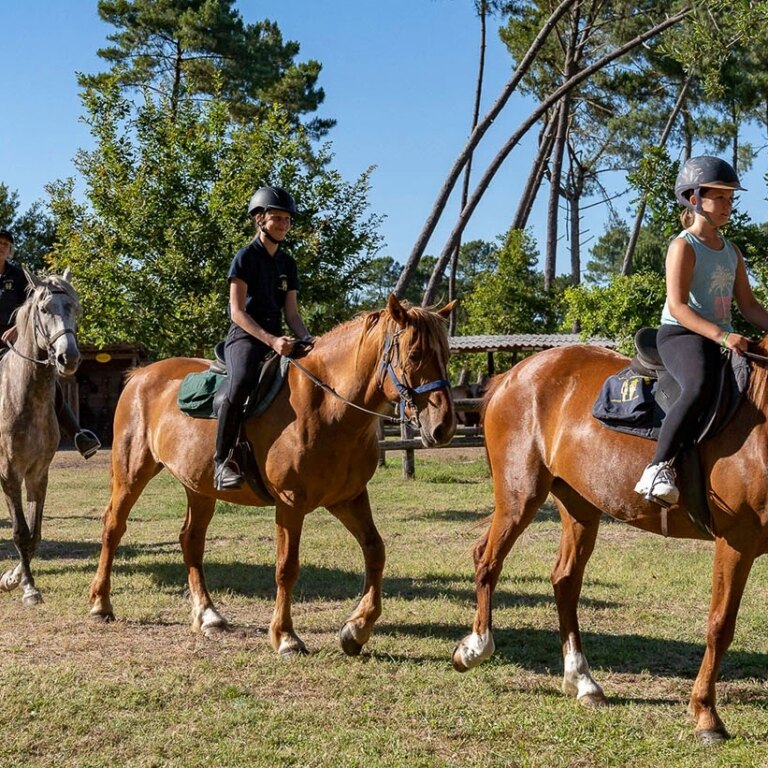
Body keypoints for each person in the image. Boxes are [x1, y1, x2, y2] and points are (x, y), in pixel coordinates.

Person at [634, 156, 768, 505]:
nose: (728, 205)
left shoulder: (731, 252)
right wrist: (723, 336)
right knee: (697, 384)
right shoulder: (683, 246)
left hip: (720, 338)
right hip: (681, 335)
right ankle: (657, 467)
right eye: (720, 197)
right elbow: (677, 306)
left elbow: (749, 307)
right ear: (694, 199)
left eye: (731, 198)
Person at [214, 187, 313, 491]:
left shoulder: (288, 264)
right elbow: (237, 312)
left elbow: (292, 314)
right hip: (245, 337)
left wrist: (309, 339)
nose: (284, 224)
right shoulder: (245, 258)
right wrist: (271, 341)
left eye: (287, 219)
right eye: (277, 218)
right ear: (259, 219)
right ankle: (222, 462)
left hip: (280, 337)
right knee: (242, 381)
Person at [0, 228, 101, 459]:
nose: (2, 247)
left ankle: (78, 435)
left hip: (17, 341)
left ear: (10, 250)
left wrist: (17, 328)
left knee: (49, 386)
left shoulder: (18, 277)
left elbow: (35, 308)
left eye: (6, 244)